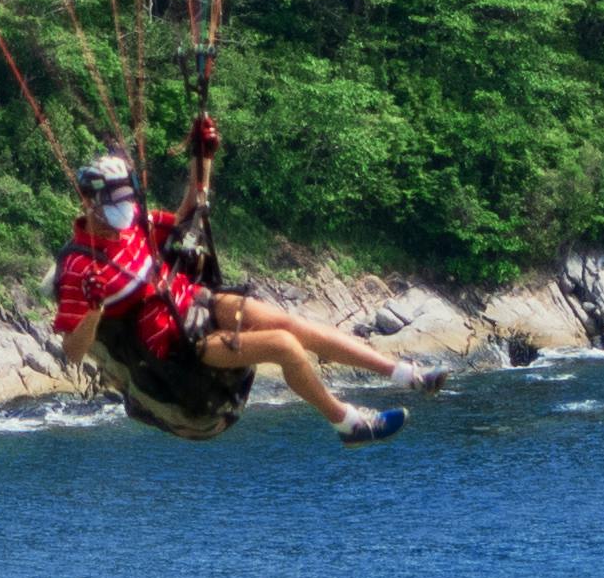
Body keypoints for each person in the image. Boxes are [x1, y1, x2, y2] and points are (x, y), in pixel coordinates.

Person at [49, 116, 416, 439]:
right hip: (178, 350)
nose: (123, 214)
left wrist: (202, 157)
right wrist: (94, 311)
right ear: (89, 202)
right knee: (284, 345)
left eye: (126, 203)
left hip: (197, 305)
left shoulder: (135, 226)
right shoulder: (80, 268)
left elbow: (189, 215)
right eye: (114, 206)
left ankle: (403, 373)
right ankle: (348, 424)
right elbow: (72, 351)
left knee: (286, 322)